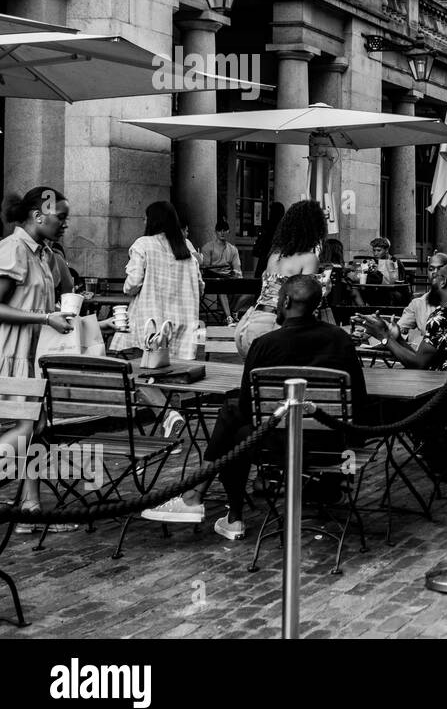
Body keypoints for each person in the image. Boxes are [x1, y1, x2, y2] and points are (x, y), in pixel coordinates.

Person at [141, 275, 370, 536]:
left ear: (284, 301)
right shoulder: (340, 340)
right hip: (331, 447)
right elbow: (359, 401)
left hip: (278, 447)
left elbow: (250, 409)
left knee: (234, 422)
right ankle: (214, 507)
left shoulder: (264, 345)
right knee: (235, 426)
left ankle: (215, 506)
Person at [0, 186, 78, 525]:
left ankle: (30, 506)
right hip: (12, 353)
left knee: (33, 427)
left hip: (36, 355)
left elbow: (55, 301)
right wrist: (45, 318)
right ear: (38, 215)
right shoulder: (13, 249)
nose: (65, 224)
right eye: (61, 217)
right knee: (30, 426)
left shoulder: (45, 253)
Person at [235, 200, 327, 357]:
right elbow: (305, 303)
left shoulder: (274, 255)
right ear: (315, 229)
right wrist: (324, 289)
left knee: (258, 377)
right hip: (275, 329)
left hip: (249, 324)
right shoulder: (309, 258)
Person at [112, 201, 204, 360]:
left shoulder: (143, 245)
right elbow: (200, 288)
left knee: (144, 372)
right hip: (182, 325)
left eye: (145, 218)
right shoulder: (187, 254)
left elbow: (133, 284)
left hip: (150, 323)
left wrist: (127, 288)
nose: (144, 222)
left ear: (153, 220)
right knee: (175, 373)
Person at [393, 251, 447, 347]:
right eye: (431, 269)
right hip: (426, 356)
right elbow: (399, 328)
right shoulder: (418, 303)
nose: (435, 273)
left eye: (440, 269)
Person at [199, 219, 242, 324]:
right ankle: (228, 317)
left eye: (225, 230)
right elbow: (205, 268)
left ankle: (233, 311)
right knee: (222, 286)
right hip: (212, 279)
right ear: (216, 232)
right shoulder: (208, 247)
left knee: (245, 285)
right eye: (219, 230)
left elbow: (237, 268)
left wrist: (236, 273)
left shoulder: (233, 249)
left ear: (228, 232)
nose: (222, 233)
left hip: (228, 277)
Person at [251, 201, 285, 279]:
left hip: (265, 255)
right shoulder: (283, 227)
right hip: (277, 256)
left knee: (260, 277)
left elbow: (262, 240)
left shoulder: (267, 225)